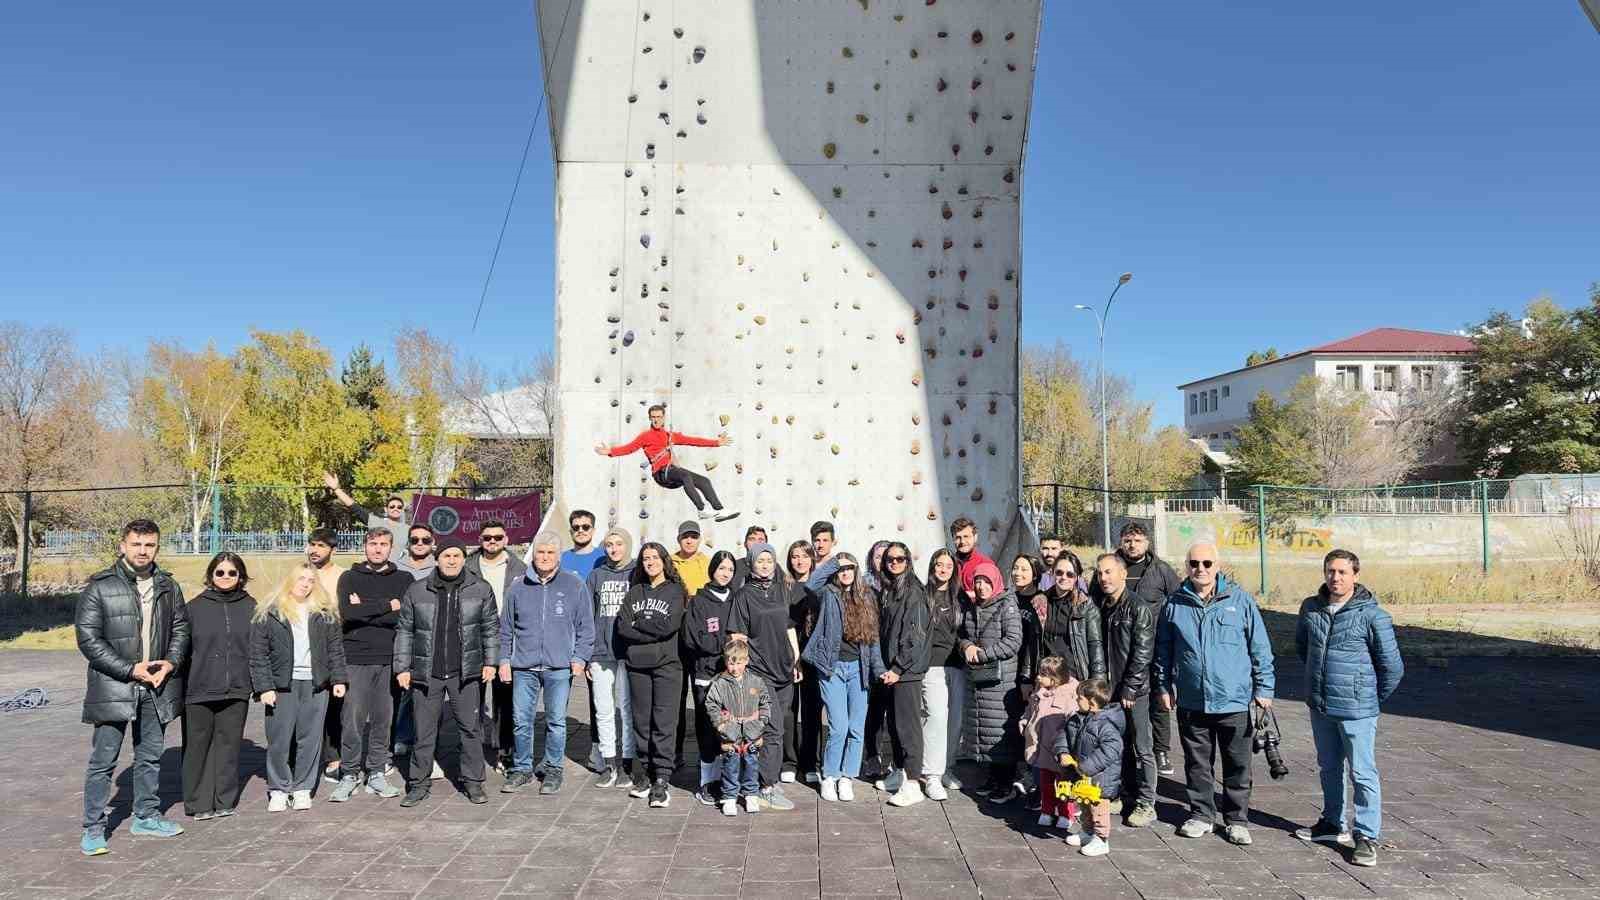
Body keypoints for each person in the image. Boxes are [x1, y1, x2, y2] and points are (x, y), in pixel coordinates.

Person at [76, 519, 190, 855]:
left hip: (157, 686)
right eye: (137, 544)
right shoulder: (99, 587)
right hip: (114, 686)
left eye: (150, 545)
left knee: (150, 757)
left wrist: (169, 663)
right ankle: (93, 828)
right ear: (123, 545)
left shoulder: (168, 585)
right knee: (103, 761)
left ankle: (146, 816)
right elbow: (88, 640)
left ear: (157, 547)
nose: (143, 551)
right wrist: (131, 670)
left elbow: (181, 629)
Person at [1154, 542, 1275, 846]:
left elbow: (1259, 648)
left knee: (1237, 764)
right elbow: (1163, 652)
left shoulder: (1241, 601)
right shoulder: (1174, 605)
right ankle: (1201, 815)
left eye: (1207, 563)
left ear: (1218, 565)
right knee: (1197, 764)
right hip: (1193, 700)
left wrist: (1265, 688)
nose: (1201, 569)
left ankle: (1236, 820)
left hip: (1233, 699)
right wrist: (1163, 685)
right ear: (1186, 565)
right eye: (1194, 563)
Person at [1293, 549, 1404, 868]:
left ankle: (1366, 836)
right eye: (1330, 571)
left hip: (1358, 709)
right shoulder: (1310, 608)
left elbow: (1392, 667)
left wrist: (1368, 697)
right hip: (1321, 705)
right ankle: (1332, 823)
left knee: (1362, 772)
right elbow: (1304, 649)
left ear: (1355, 575)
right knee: (1328, 767)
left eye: (1342, 572)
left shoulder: (1373, 615)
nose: (1335, 577)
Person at [394, 536, 500, 807]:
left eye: (456, 555)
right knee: (424, 731)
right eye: (446, 556)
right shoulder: (417, 590)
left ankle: (473, 783)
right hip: (426, 673)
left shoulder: (480, 588)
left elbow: (490, 628)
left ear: (463, 558)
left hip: (465, 673)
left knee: (470, 730)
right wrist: (402, 667)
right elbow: (405, 630)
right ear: (436, 558)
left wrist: (491, 662)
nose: (451, 560)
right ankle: (418, 784)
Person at [498, 533, 594, 795]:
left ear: (558, 556)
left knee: (556, 721)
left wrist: (580, 657)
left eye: (550, 553)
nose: (545, 558)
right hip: (524, 667)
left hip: (559, 666)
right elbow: (505, 628)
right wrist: (504, 660)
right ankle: (522, 769)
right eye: (540, 552)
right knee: (521, 720)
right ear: (533, 554)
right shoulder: (518, 587)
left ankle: (553, 769)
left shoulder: (574, 584)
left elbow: (586, 626)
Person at [249, 563, 348, 812]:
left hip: (315, 685)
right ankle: (279, 788)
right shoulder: (270, 612)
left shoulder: (325, 614)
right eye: (301, 578)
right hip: (283, 685)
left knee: (310, 738)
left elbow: (335, 649)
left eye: (310, 579)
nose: (305, 583)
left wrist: (338, 679)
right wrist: (265, 687)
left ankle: (303, 788)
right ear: (290, 580)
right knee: (279, 739)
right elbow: (258, 654)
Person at [329, 527, 411, 802]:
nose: (378, 549)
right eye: (373, 543)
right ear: (365, 546)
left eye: (383, 544)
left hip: (388, 660)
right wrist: (389, 605)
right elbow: (348, 614)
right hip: (355, 658)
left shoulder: (404, 578)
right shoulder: (349, 577)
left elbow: (403, 619)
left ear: (391, 548)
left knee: (382, 719)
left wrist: (366, 607)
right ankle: (350, 772)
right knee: (352, 719)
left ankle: (376, 771)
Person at [802, 552, 885, 803]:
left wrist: (878, 669)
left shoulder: (867, 596)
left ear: (857, 570)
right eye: (842, 568)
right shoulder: (829, 593)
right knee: (838, 727)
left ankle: (847, 776)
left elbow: (873, 639)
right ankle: (830, 776)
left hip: (858, 669)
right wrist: (833, 563)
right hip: (832, 668)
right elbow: (810, 584)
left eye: (850, 567)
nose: (846, 572)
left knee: (856, 728)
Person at [727, 542, 803, 811]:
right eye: (760, 561)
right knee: (772, 728)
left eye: (769, 560)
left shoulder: (782, 589)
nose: (765, 565)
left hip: (784, 667)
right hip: (761, 670)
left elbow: (789, 627)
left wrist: (796, 660)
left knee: (780, 726)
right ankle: (766, 787)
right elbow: (737, 635)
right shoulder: (744, 595)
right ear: (751, 563)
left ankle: (765, 778)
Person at [182, 553, 256, 821]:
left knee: (228, 746)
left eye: (232, 573)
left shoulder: (252, 607)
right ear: (211, 575)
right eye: (220, 572)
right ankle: (199, 802)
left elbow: (258, 648)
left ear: (241, 576)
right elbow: (181, 649)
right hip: (199, 688)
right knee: (197, 747)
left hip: (236, 689)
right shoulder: (193, 608)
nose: (226, 577)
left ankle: (224, 799)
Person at [615, 541, 687, 807]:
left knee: (664, 722)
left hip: (667, 665)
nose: (650, 562)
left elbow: (669, 626)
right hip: (638, 666)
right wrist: (649, 627)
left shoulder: (675, 591)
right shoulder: (635, 592)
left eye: (655, 558)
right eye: (646, 558)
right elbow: (623, 627)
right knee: (642, 722)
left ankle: (662, 779)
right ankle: (645, 773)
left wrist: (641, 624)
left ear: (664, 560)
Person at [1107, 522, 1181, 776]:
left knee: (1158, 700)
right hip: (1120, 647)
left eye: (1137, 540)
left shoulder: (1160, 570)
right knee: (1124, 700)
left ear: (1147, 543)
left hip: (1156, 647)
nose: (1132, 545)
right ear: (1121, 541)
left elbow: (1179, 602)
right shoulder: (1112, 567)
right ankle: (1127, 749)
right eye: (1128, 540)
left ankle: (1160, 750)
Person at [1091, 553, 1157, 828]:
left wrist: (1130, 687)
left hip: (1134, 691)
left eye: (1108, 572)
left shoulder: (1137, 607)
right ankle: (1124, 793)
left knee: (1142, 748)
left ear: (1122, 574)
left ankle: (1147, 803)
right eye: (1099, 573)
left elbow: (1142, 653)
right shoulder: (1103, 606)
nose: (1103, 578)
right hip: (1111, 691)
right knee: (1118, 746)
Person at [594, 402, 740, 522]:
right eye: (653, 417)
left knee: (704, 481)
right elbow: (629, 448)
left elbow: (693, 440)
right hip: (661, 473)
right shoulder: (645, 436)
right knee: (685, 476)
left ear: (664, 418)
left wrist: (716, 443)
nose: (656, 420)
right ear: (650, 419)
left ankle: (719, 510)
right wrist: (610, 452)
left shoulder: (670, 436)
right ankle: (701, 509)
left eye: (658, 417)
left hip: (672, 472)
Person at [467, 519, 528, 774]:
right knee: (471, 699)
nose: (492, 541)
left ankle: (505, 752)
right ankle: (472, 751)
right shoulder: (468, 565)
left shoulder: (520, 567)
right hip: (473, 639)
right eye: (487, 537)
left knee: (505, 701)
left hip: (506, 640)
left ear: (506, 539)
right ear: (480, 540)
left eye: (497, 537)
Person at [959, 561, 1023, 802]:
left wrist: (982, 654)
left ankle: (1005, 784)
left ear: (995, 582)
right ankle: (993, 779)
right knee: (985, 730)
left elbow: (1013, 641)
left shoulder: (1007, 605)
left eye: (986, 582)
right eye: (978, 581)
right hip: (980, 678)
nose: (982, 586)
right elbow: (963, 635)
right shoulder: (973, 606)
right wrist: (966, 646)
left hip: (1000, 680)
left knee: (1000, 732)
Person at [876, 541, 932, 807]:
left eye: (899, 559)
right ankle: (900, 773)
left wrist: (899, 668)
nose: (894, 563)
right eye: (890, 560)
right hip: (892, 670)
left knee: (908, 728)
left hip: (906, 672)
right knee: (896, 727)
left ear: (908, 562)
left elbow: (915, 637)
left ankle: (912, 783)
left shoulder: (913, 593)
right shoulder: (891, 590)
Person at [682, 550, 738, 804]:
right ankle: (706, 781)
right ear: (712, 569)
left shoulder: (736, 599)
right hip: (706, 676)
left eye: (730, 570)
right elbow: (693, 638)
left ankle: (728, 779)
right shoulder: (699, 601)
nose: (725, 573)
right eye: (722, 568)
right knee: (707, 728)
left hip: (732, 676)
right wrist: (724, 644)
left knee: (728, 730)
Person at [585, 526, 638, 786]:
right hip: (601, 651)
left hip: (627, 651)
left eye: (618, 544)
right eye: (609, 544)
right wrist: (585, 654)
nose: (614, 549)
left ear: (627, 545)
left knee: (626, 708)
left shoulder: (637, 572)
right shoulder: (596, 575)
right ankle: (608, 761)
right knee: (603, 707)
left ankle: (627, 763)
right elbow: (586, 616)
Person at [1054, 678, 1125, 858]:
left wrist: (1085, 767)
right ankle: (1087, 832)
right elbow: (1064, 734)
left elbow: (1111, 749)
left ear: (1092, 703)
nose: (1076, 701)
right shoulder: (1077, 718)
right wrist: (1062, 751)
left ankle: (1101, 839)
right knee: (1084, 805)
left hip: (1100, 779)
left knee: (1098, 809)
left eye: (1079, 698)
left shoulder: (1106, 725)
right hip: (1082, 776)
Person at [703, 640, 773, 816]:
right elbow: (711, 705)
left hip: (752, 733)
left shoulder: (756, 682)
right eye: (731, 663)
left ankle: (751, 794)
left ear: (746, 661)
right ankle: (729, 797)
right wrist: (722, 725)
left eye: (739, 663)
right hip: (730, 733)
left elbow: (766, 703)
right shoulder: (720, 683)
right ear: (726, 662)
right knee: (730, 766)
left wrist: (760, 724)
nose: (735, 668)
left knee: (752, 764)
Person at [920, 548, 965, 799]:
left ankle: (947, 767)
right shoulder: (923, 595)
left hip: (956, 665)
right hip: (932, 665)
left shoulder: (960, 598)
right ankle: (932, 775)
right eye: (939, 564)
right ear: (932, 567)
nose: (943, 569)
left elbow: (967, 630)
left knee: (954, 721)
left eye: (948, 566)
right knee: (935, 718)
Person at [307, 526, 348, 784]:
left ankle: (334, 759)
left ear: (332, 549)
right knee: (306, 707)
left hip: (334, 646)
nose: (314, 550)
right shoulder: (299, 573)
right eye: (311, 544)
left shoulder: (343, 575)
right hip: (304, 650)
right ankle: (305, 758)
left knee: (335, 706)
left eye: (321, 545)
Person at [782, 540, 823, 785]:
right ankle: (789, 761)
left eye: (804, 556)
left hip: (812, 654)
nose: (800, 561)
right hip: (787, 654)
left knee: (812, 710)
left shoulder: (819, 586)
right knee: (788, 710)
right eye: (795, 556)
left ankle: (811, 762)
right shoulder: (783, 587)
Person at [1021, 657, 1077, 831]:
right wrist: (1024, 720)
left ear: (1055, 678)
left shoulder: (1070, 695)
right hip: (1041, 748)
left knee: (1064, 784)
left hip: (1059, 750)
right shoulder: (1039, 692)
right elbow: (1030, 710)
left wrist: (1068, 747)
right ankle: (1046, 810)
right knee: (1045, 782)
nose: (1038, 677)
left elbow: (1073, 723)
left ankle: (1066, 813)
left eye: (1043, 675)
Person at [1039, 552, 1105, 686]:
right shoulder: (1041, 603)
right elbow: (1033, 642)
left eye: (1070, 574)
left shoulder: (1085, 606)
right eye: (1059, 572)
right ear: (1052, 573)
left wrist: (1097, 684)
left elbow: (1095, 646)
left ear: (1077, 577)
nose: (1064, 577)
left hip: (1074, 679)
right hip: (1045, 678)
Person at [324, 472, 407, 558]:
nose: (395, 509)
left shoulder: (408, 530)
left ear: (402, 509)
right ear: (386, 509)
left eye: (399, 507)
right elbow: (355, 507)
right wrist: (336, 489)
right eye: (392, 506)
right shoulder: (377, 523)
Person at [951, 516, 995, 596]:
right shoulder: (948, 563)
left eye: (966, 536)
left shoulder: (985, 563)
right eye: (958, 537)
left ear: (975, 537)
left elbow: (994, 593)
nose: (962, 541)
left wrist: (970, 595)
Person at [560, 509, 603, 579]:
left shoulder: (604, 558)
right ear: (571, 532)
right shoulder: (559, 559)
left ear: (593, 531)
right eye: (576, 527)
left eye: (586, 527)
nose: (580, 530)